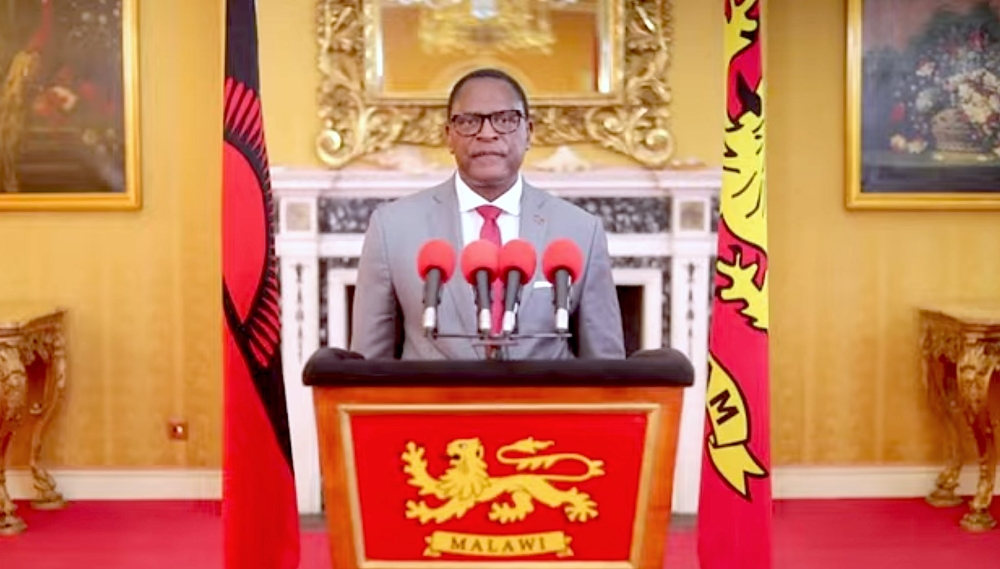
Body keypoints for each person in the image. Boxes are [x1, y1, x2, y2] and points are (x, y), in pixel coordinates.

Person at [350, 68, 625, 360]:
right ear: (449, 136)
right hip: (434, 391)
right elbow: (370, 365)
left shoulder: (580, 231)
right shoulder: (393, 228)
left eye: (505, 119)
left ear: (529, 132)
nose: (487, 133)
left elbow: (605, 366)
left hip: (543, 391)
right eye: (469, 121)